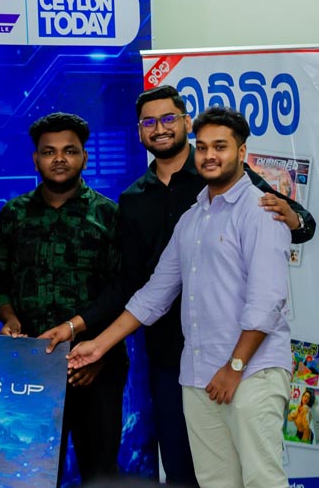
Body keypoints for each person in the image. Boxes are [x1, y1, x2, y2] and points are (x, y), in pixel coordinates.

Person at [68, 106, 292, 488]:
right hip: (198, 377)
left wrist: (234, 367)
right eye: (202, 147)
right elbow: (153, 295)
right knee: (215, 483)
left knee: (262, 481)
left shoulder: (261, 211)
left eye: (220, 146)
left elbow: (267, 301)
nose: (209, 155)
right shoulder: (191, 220)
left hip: (251, 373)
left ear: (242, 152)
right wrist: (97, 345)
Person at [0, 112, 126, 486]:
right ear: (36, 159)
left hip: (96, 368)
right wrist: (8, 317)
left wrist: (98, 352)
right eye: (49, 152)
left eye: (70, 150)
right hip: (30, 369)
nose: (59, 159)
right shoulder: (13, 215)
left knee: (100, 475)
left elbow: (121, 292)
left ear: (84, 156)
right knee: (29, 475)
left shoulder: (109, 215)